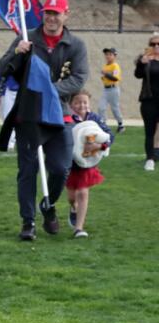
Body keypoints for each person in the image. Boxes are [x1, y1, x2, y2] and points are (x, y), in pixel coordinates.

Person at [0, 0, 89, 240]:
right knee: (27, 171)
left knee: (60, 168)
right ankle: (28, 223)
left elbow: (78, 78)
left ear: (66, 15)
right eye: (48, 12)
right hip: (29, 115)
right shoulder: (26, 38)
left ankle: (48, 205)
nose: (51, 17)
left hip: (60, 115)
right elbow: (3, 70)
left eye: (56, 13)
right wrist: (17, 51)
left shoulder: (76, 45)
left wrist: (48, 92)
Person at [64, 90, 111, 238]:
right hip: (71, 163)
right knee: (72, 197)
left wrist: (99, 147)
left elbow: (109, 136)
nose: (81, 105)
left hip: (87, 164)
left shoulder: (95, 119)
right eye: (77, 102)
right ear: (71, 104)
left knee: (82, 193)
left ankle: (79, 228)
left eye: (84, 102)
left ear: (89, 103)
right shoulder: (67, 119)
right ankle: (73, 208)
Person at [137, 33, 159, 172]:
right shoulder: (145, 60)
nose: (156, 46)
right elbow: (138, 74)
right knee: (149, 132)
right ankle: (150, 159)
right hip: (149, 101)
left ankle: (156, 152)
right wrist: (142, 63)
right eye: (153, 44)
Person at [97, 46, 124, 133]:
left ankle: (121, 124)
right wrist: (104, 77)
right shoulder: (106, 66)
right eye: (106, 54)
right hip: (106, 90)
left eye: (110, 54)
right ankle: (103, 124)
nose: (107, 56)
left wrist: (106, 74)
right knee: (101, 107)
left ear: (114, 56)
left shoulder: (115, 66)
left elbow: (115, 78)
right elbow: (106, 77)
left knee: (114, 108)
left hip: (113, 89)